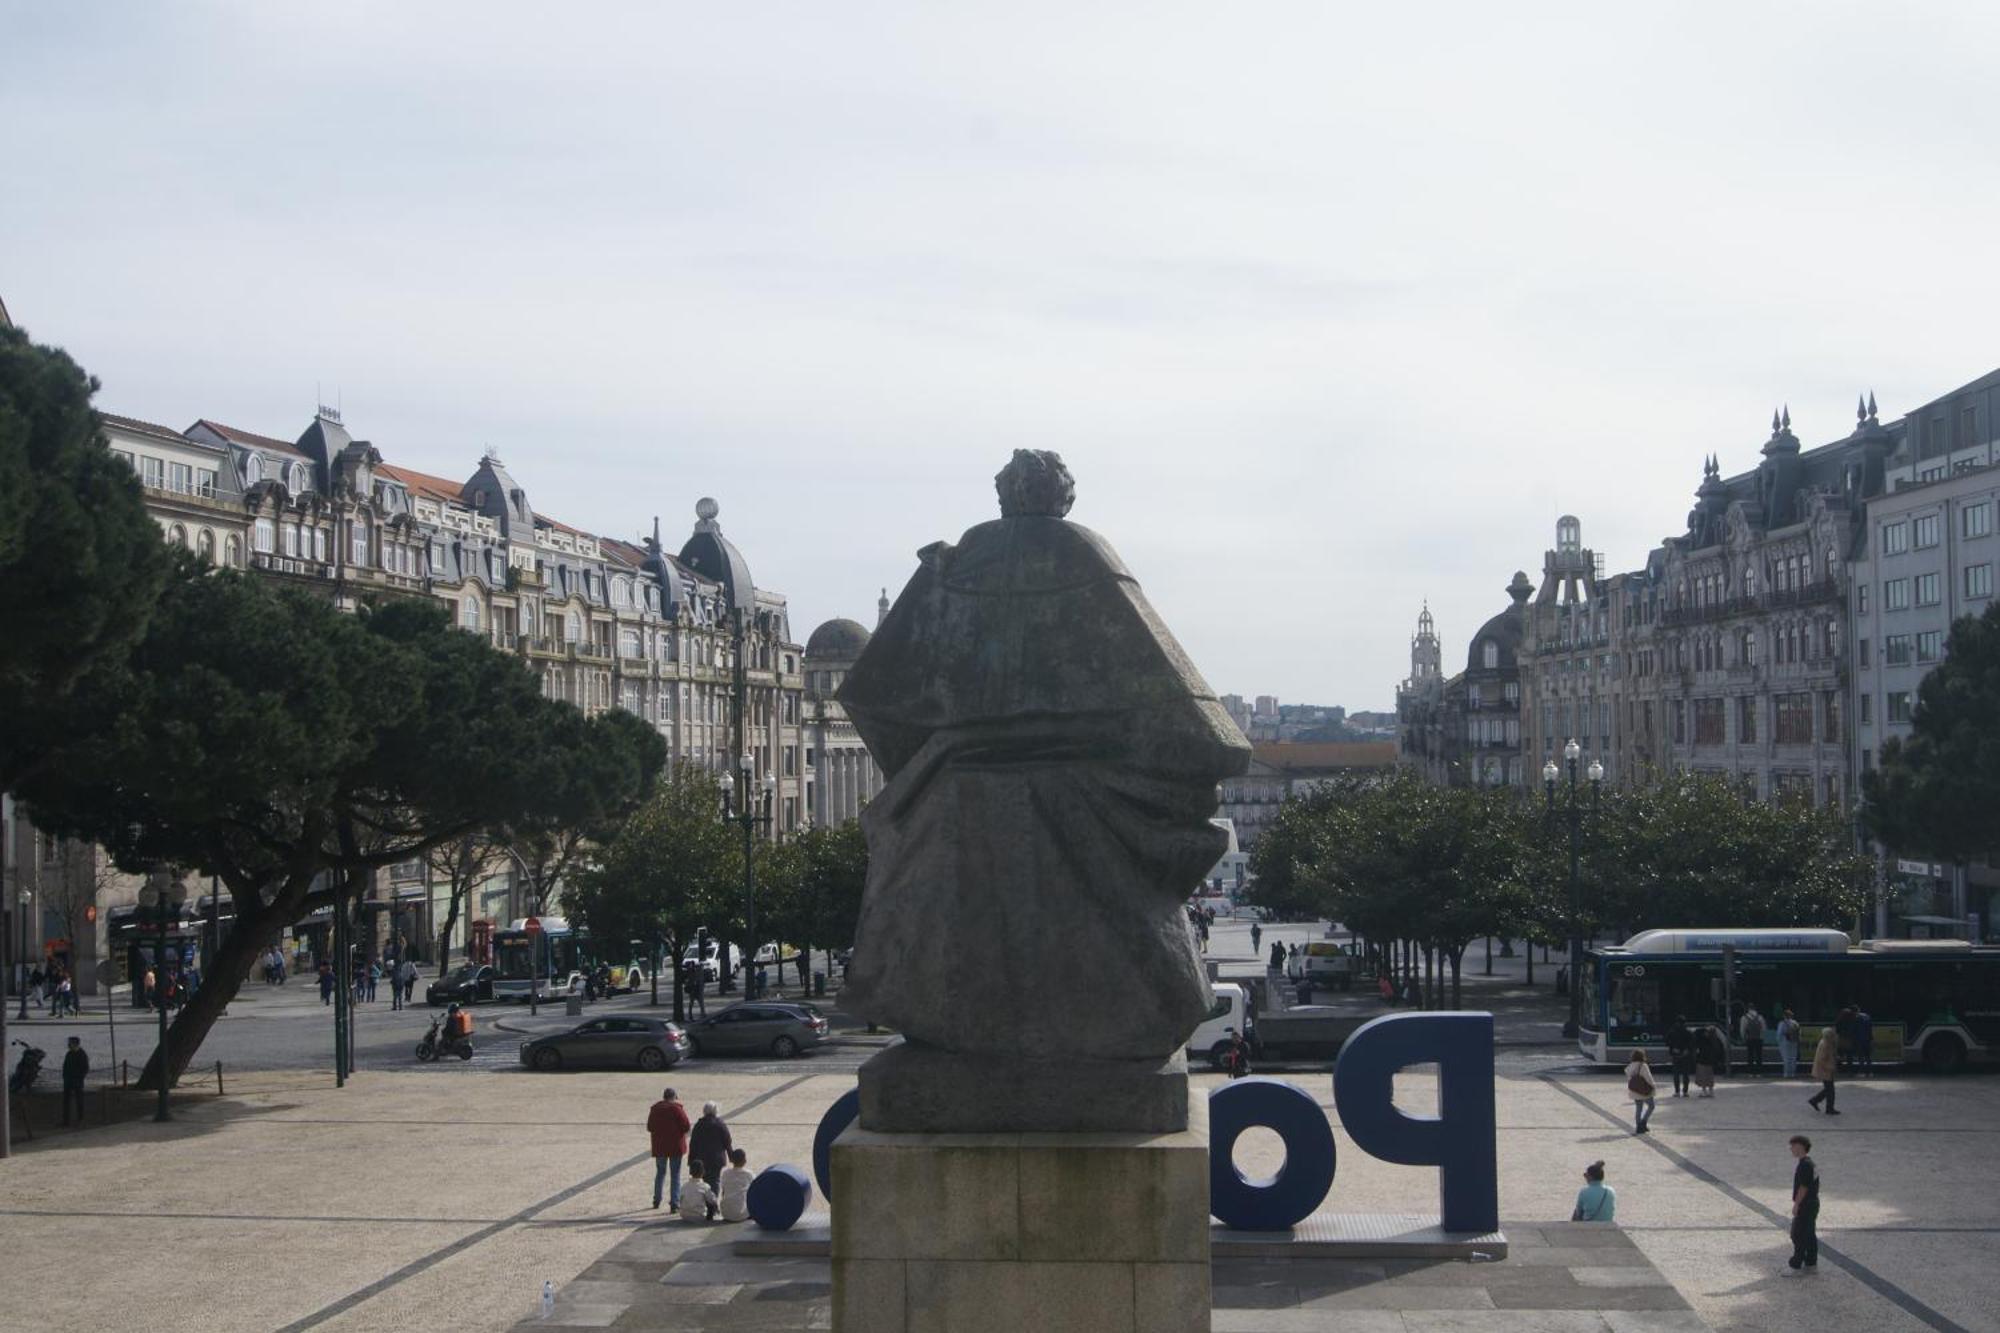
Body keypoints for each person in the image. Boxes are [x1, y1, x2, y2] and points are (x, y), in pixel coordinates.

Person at [647, 1087, 692, 1210]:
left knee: (660, 1173)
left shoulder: (655, 1109)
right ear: (674, 1097)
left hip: (660, 1147)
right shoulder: (677, 1109)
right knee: (675, 1174)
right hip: (675, 1147)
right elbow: (686, 1126)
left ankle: (656, 1200)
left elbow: (650, 1127)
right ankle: (674, 1203)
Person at [1787, 1134, 1819, 1272]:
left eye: (1793, 1146)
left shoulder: (1805, 1165)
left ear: (1800, 1147)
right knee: (1809, 1233)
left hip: (1806, 1204)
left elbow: (1803, 1187)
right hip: (1812, 1203)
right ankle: (1811, 1262)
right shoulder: (1809, 1163)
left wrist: (1797, 1204)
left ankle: (1797, 1263)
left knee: (1798, 1234)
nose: (1791, 1149)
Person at [689, 1100, 733, 1192]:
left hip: (701, 1158)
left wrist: (691, 1160)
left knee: (702, 1181)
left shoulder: (699, 1125)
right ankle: (713, 1201)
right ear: (715, 1111)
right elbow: (727, 1142)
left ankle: (705, 1200)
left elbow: (693, 1143)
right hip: (716, 1159)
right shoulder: (720, 1124)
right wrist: (731, 1156)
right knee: (715, 1180)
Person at [1807, 1025, 1841, 1115]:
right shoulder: (1827, 1044)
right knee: (1830, 1090)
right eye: (1833, 1035)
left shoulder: (1825, 1042)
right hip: (1826, 1070)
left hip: (1825, 1069)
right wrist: (1831, 1067)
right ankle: (1829, 1108)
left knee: (1828, 1089)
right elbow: (1822, 1059)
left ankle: (1815, 1100)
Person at [1624, 1049, 1658, 1134]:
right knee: (1651, 1106)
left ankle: (1639, 1126)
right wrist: (1653, 1086)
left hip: (1635, 1090)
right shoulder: (1643, 1065)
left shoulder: (1630, 1066)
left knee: (1639, 1108)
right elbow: (1648, 1078)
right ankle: (1643, 1122)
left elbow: (1630, 1079)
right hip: (1644, 1090)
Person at [718, 1147, 754, 1223]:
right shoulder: (748, 1174)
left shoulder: (725, 1173)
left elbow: (723, 1192)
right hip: (741, 1214)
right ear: (744, 1160)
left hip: (725, 1213)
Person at [61, 1036, 89, 1127]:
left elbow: (85, 1068)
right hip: (68, 1081)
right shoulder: (69, 1054)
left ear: (75, 1044)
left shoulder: (82, 1054)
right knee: (66, 1101)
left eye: (70, 1043)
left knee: (79, 1101)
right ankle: (66, 1121)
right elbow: (65, 1066)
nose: (68, 1045)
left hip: (77, 1081)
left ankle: (81, 1120)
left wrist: (79, 1078)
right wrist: (65, 1077)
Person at [1665, 1017, 1695, 1097]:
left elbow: (1667, 1042)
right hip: (1686, 1055)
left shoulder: (1672, 1031)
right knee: (1686, 1074)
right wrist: (1687, 1050)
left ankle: (1677, 1091)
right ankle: (1685, 1091)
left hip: (1676, 1054)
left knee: (1676, 1074)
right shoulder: (1688, 1032)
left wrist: (1673, 1048)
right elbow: (1692, 1043)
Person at [1693, 1024, 1726, 1097]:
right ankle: (1711, 1091)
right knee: (1710, 1076)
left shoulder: (1702, 1040)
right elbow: (1718, 1052)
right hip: (1710, 1062)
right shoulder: (1714, 1041)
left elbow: (1697, 1047)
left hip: (1702, 1061)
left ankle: (1704, 1091)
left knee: (1702, 1076)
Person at [1777, 1008, 1802, 1079]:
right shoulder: (1795, 1023)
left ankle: (1786, 1074)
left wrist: (1779, 1042)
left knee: (1786, 1058)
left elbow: (1779, 1034)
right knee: (1793, 1058)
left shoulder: (1782, 1023)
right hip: (1794, 1042)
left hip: (1785, 1042)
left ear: (1784, 1016)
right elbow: (1799, 1033)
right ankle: (1793, 1073)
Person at [1741, 1005, 1766, 1075]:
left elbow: (1742, 1029)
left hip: (1749, 1038)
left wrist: (1743, 1037)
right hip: (1758, 1039)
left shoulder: (1744, 1017)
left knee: (1750, 1056)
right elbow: (1764, 1028)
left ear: (1748, 1009)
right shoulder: (1760, 1017)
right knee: (1759, 1056)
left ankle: (1750, 1072)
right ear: (1755, 1009)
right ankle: (1759, 1072)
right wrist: (1762, 1037)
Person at [1855, 1008, 1874, 1077]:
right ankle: (1870, 1072)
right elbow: (1870, 1028)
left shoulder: (1857, 1018)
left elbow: (1855, 1029)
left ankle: (1862, 1072)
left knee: (1861, 1057)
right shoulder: (1867, 1017)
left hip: (1860, 1040)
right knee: (1868, 1057)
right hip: (1868, 1039)